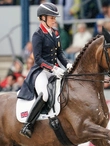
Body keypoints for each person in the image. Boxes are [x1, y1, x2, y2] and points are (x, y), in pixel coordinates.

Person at [17, 2, 72, 138]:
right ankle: (28, 125)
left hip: (54, 70)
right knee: (45, 94)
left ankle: (55, 115)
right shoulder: (38, 35)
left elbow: (59, 54)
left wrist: (68, 64)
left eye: (54, 18)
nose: (54, 20)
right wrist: (53, 68)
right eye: (52, 18)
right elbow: (38, 59)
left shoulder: (55, 33)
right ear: (43, 18)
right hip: (41, 71)